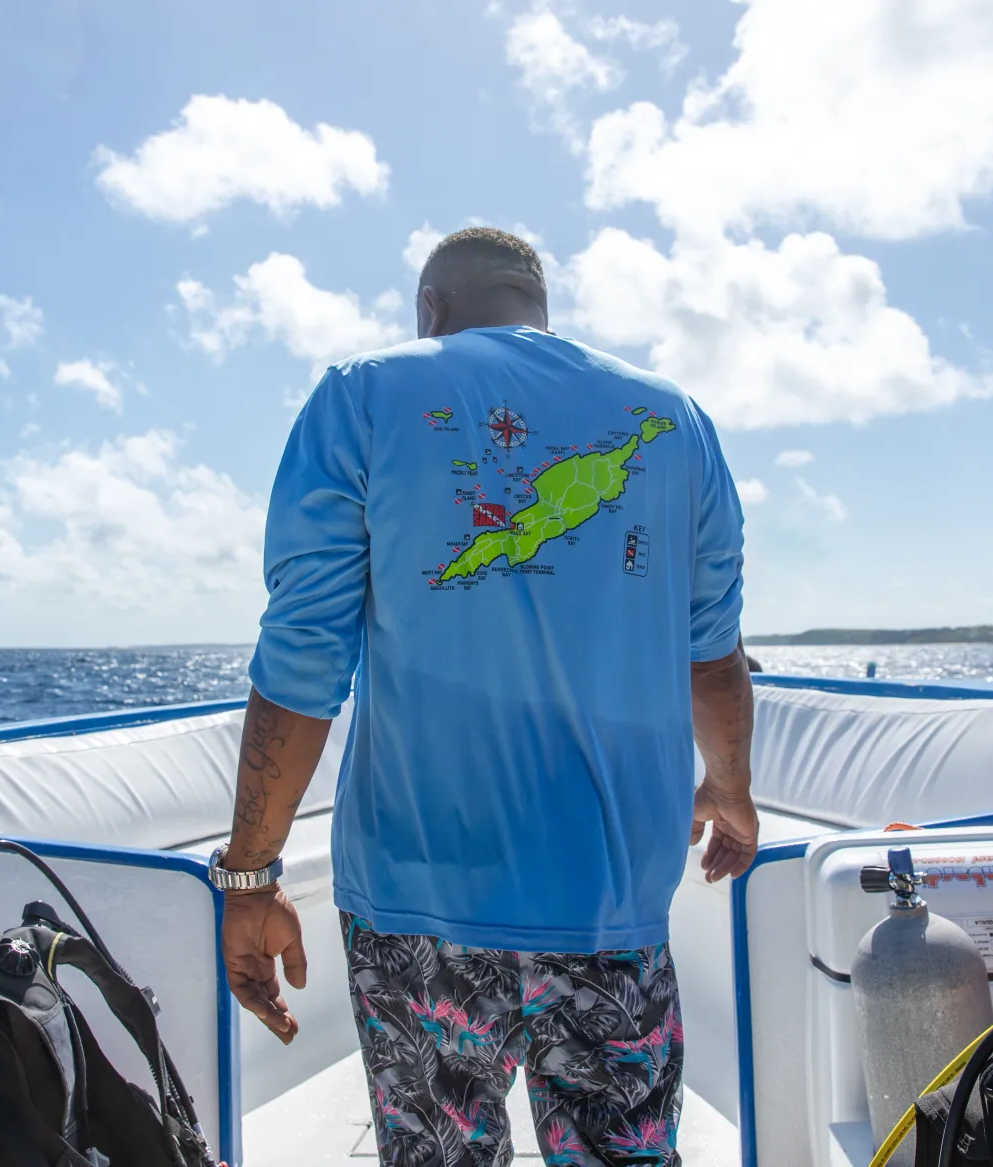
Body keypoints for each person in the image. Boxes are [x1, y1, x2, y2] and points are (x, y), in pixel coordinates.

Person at [212, 227, 756, 1166]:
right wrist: (732, 788)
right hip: (608, 897)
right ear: (537, 306)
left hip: (415, 902)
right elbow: (712, 657)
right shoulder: (679, 423)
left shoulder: (363, 394)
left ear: (431, 310)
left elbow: (302, 664)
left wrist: (253, 875)